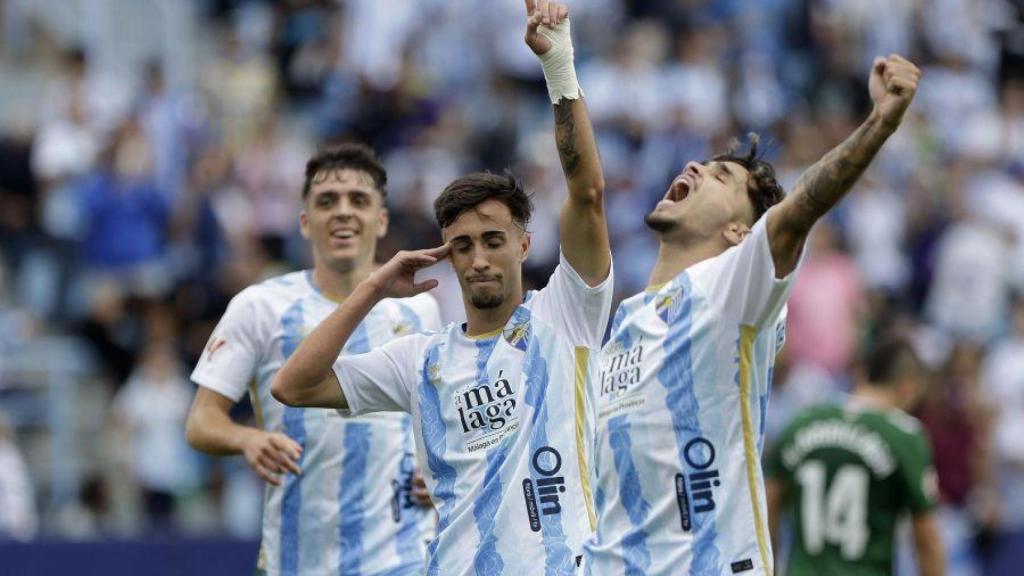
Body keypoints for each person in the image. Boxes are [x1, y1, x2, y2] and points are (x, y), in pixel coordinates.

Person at [272, 2, 613, 573]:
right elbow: (294, 386)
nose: (478, 258)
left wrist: (559, 67)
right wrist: (374, 286)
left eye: (492, 240)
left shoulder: (566, 313)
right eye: (462, 245)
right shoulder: (421, 359)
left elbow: (587, 192)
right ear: (446, 253)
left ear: (524, 245)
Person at [582, 54, 922, 575]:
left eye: (720, 177)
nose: (693, 167)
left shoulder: (730, 289)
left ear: (740, 235)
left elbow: (800, 211)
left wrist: (880, 123)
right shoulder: (624, 322)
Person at [185, 143, 440, 576]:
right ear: (305, 222)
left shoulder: (420, 310)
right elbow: (201, 422)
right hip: (298, 560)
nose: (342, 212)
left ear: (381, 221)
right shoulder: (260, 306)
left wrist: (440, 468)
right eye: (326, 201)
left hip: (405, 558)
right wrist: (248, 439)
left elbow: (440, 416)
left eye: (358, 200)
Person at [765, 338, 945, 576]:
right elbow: (926, 539)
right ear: (908, 384)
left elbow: (769, 505)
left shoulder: (802, 422)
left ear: (863, 374)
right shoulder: (904, 437)